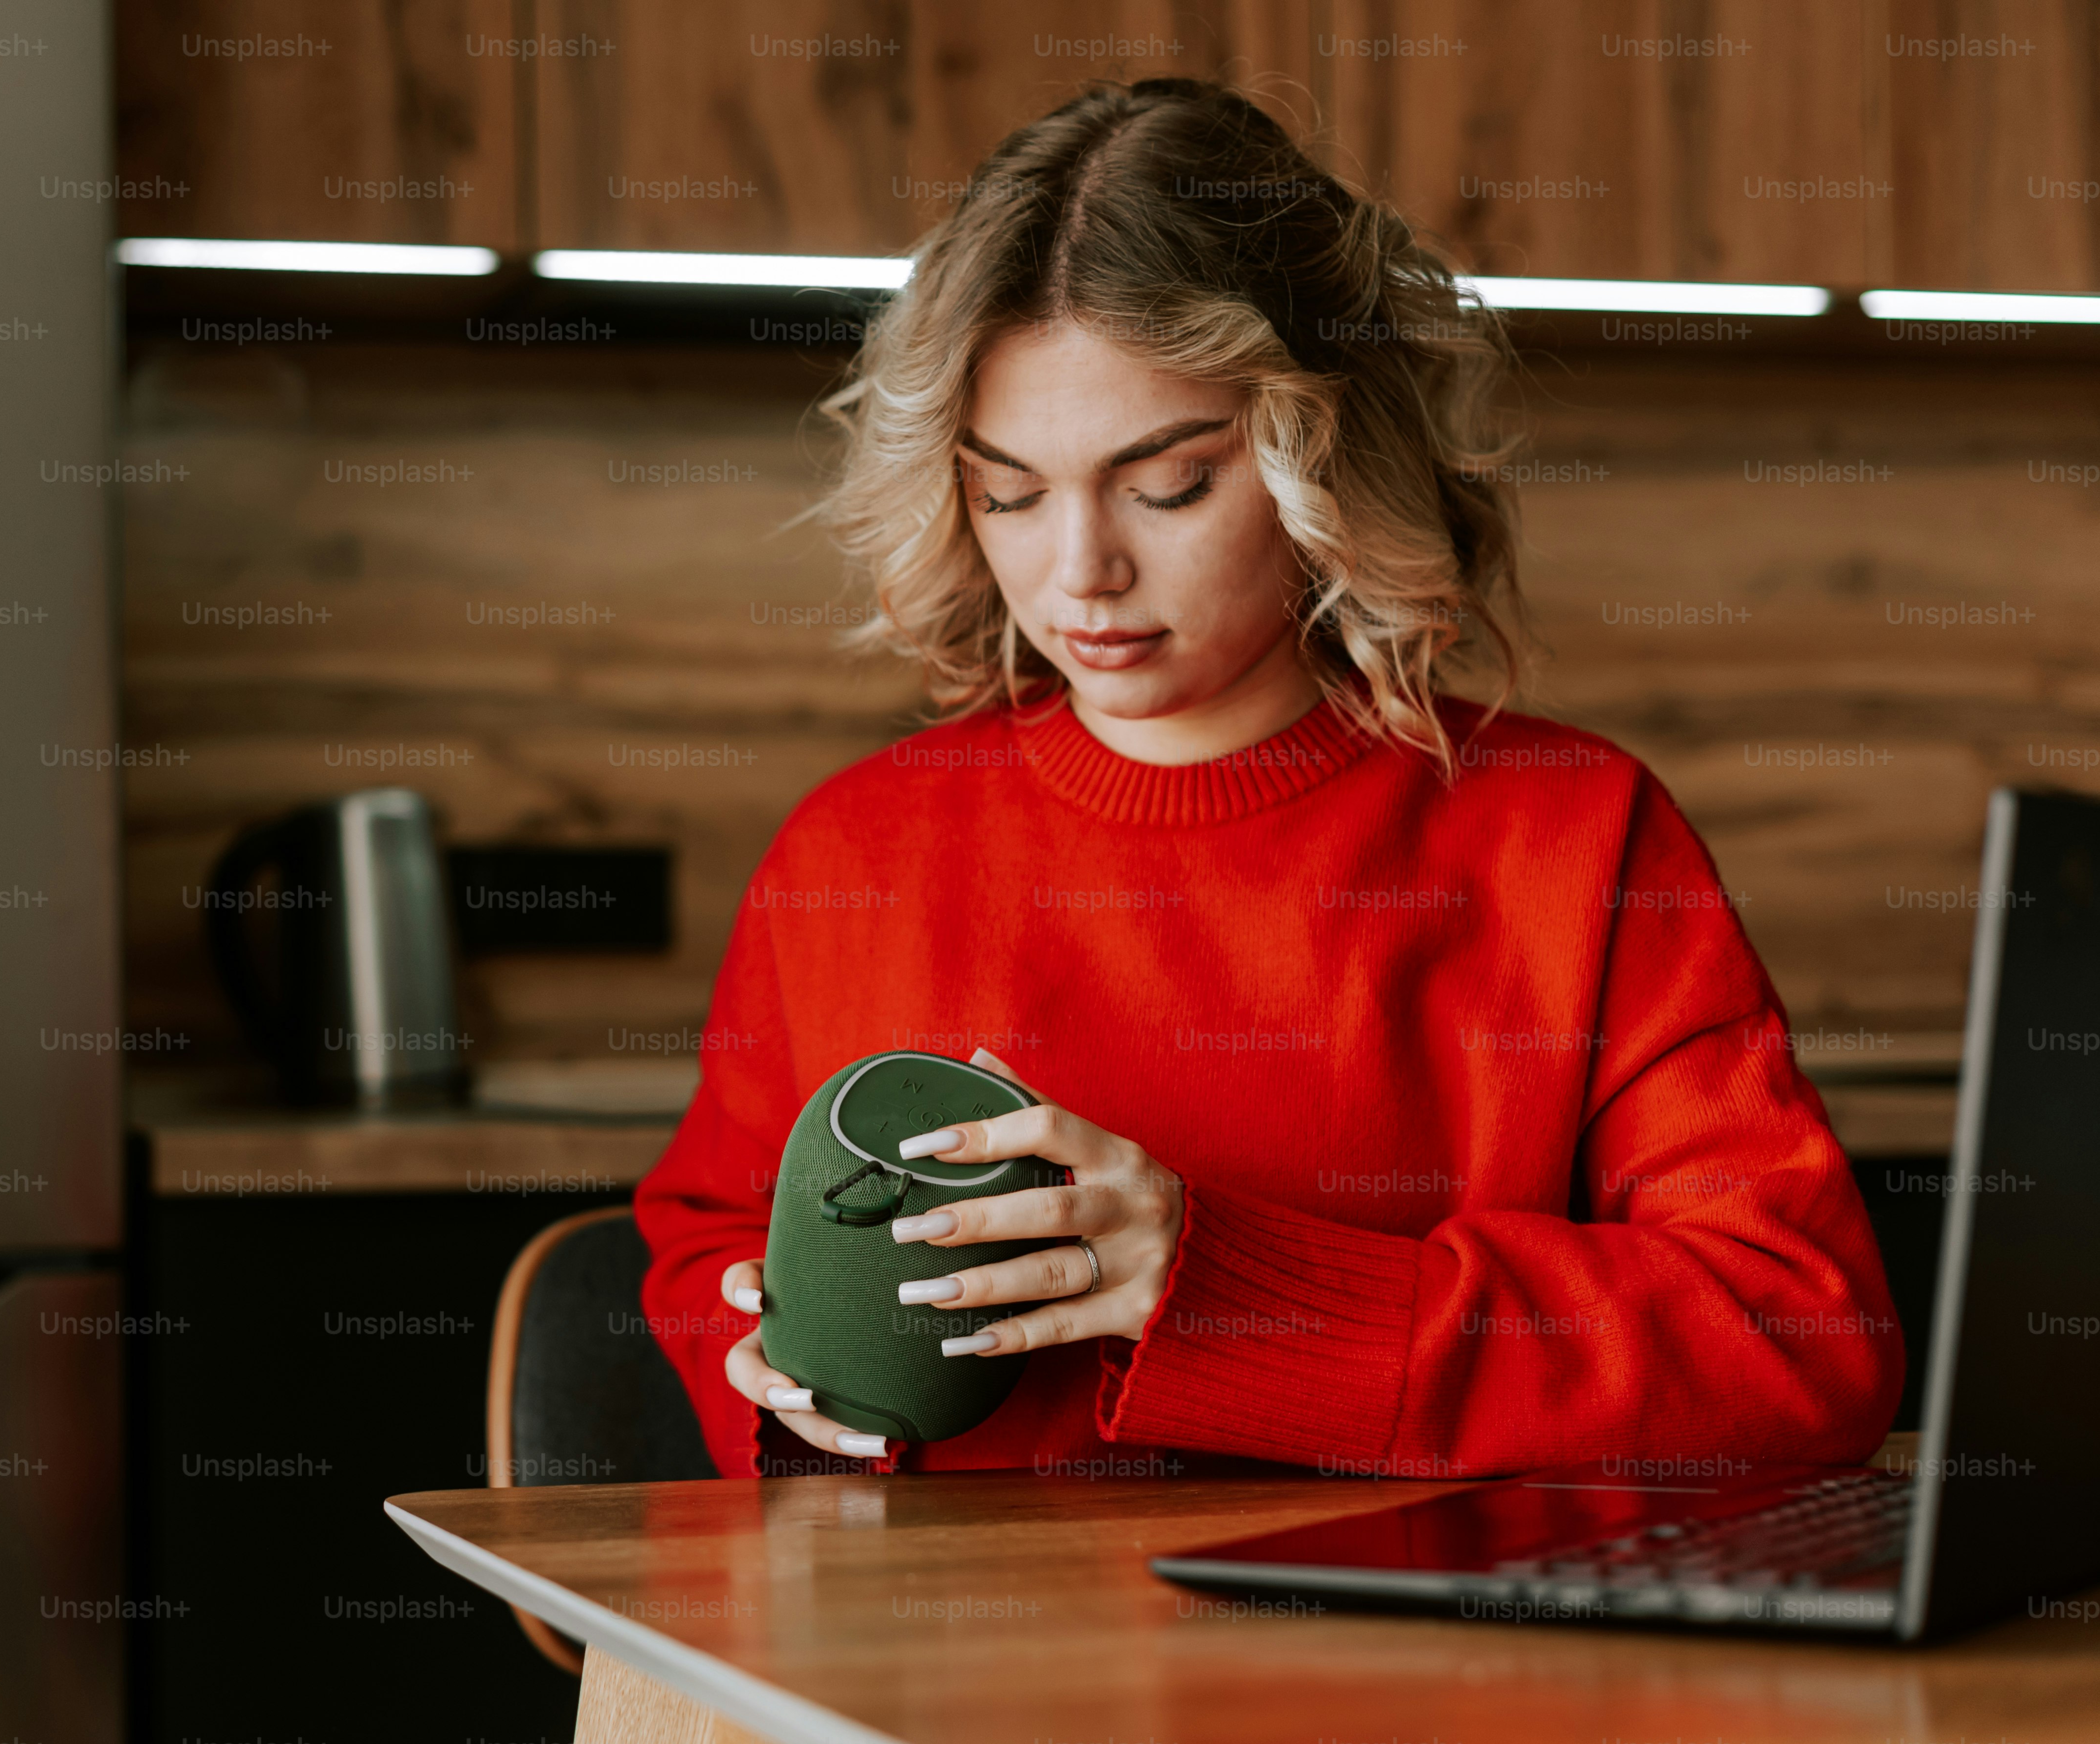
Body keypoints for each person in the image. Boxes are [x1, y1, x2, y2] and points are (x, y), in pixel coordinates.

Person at [630, 77, 1903, 1479]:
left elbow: (1796, 1341)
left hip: (1423, 1671)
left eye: (1168, 483)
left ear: (1328, 451)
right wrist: (758, 1360)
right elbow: (704, 1239)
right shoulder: (853, 852)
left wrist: (1238, 1294)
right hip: (935, 1667)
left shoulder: (1576, 839)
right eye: (1008, 491)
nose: (1080, 572)